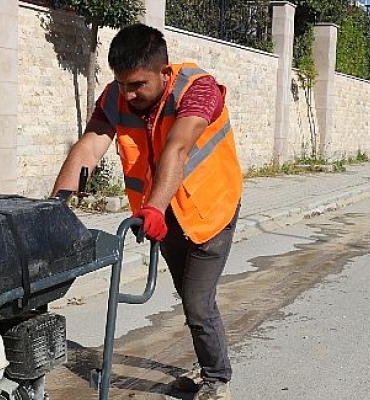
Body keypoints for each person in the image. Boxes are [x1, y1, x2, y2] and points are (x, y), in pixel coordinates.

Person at [51, 23, 242, 400]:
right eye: (122, 83)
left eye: (137, 84)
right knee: (191, 298)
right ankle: (206, 364)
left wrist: (153, 208)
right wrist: (55, 207)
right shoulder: (116, 97)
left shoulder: (197, 90)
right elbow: (90, 147)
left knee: (197, 303)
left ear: (163, 71)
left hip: (210, 210)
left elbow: (179, 148)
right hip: (165, 216)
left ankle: (217, 378)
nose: (128, 93)